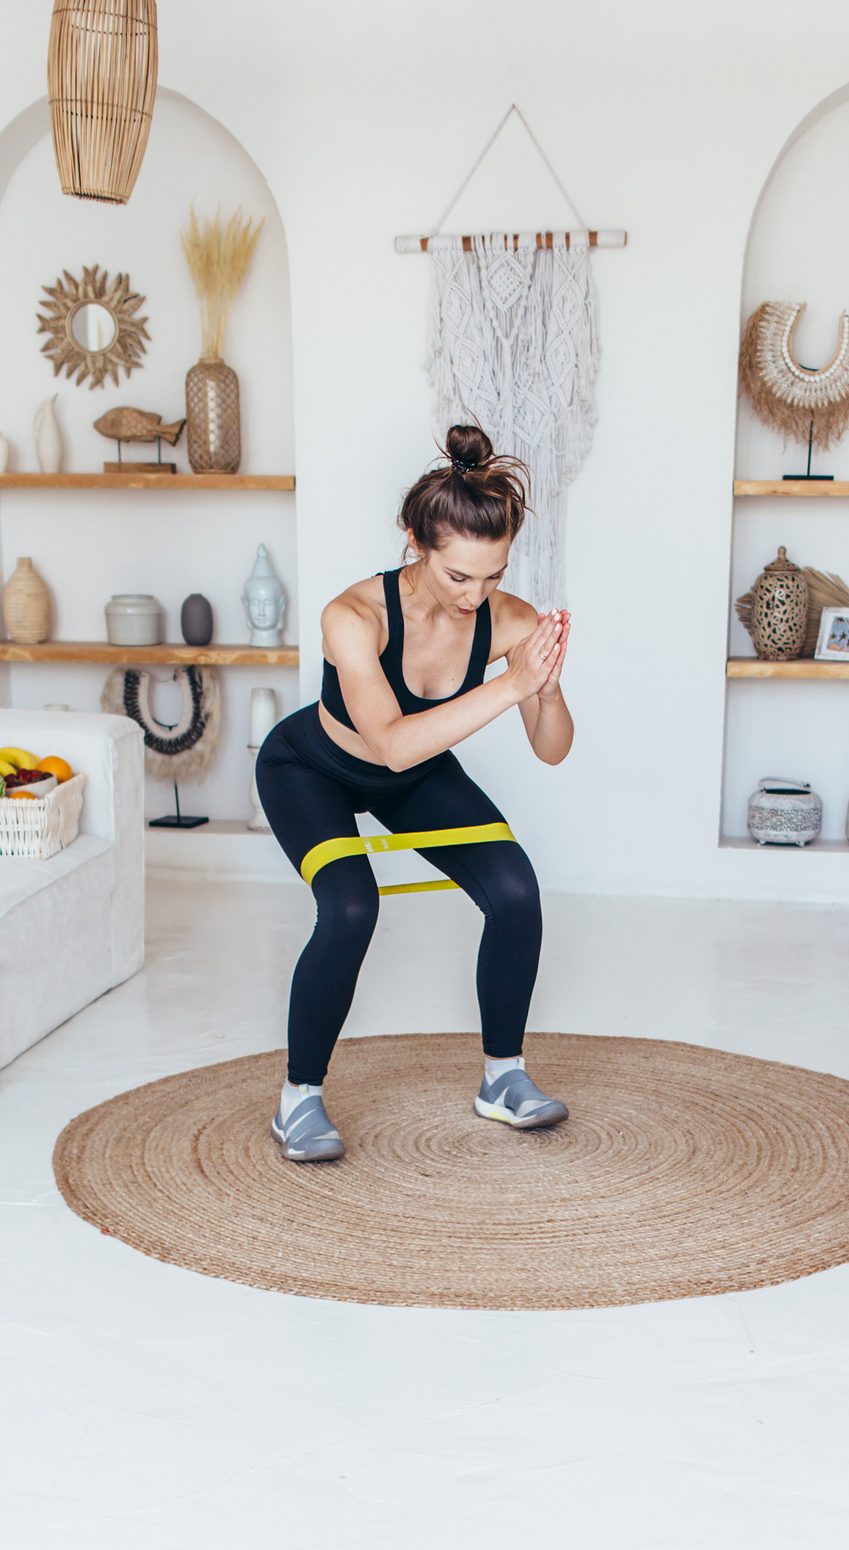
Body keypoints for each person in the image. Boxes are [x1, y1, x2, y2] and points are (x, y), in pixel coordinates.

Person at [257, 424, 574, 1162]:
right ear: (415, 544)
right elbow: (390, 744)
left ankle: (503, 1079)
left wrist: (545, 691)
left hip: (419, 776)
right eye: (458, 576)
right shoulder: (353, 616)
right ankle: (298, 1098)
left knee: (515, 891)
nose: (477, 595)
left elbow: (550, 749)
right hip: (313, 767)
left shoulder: (510, 622)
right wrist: (509, 685)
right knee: (349, 904)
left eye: (493, 575)